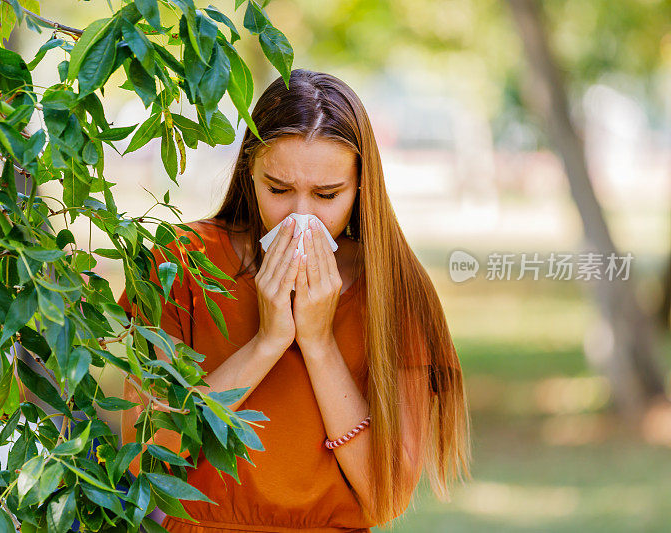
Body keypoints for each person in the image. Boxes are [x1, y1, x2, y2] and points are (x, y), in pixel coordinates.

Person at [118, 68, 471, 532]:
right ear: (250, 172)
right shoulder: (180, 264)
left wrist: (320, 344)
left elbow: (387, 497)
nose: (301, 217)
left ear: (362, 186)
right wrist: (268, 342)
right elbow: (146, 458)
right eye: (279, 190)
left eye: (327, 195)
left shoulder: (395, 290)